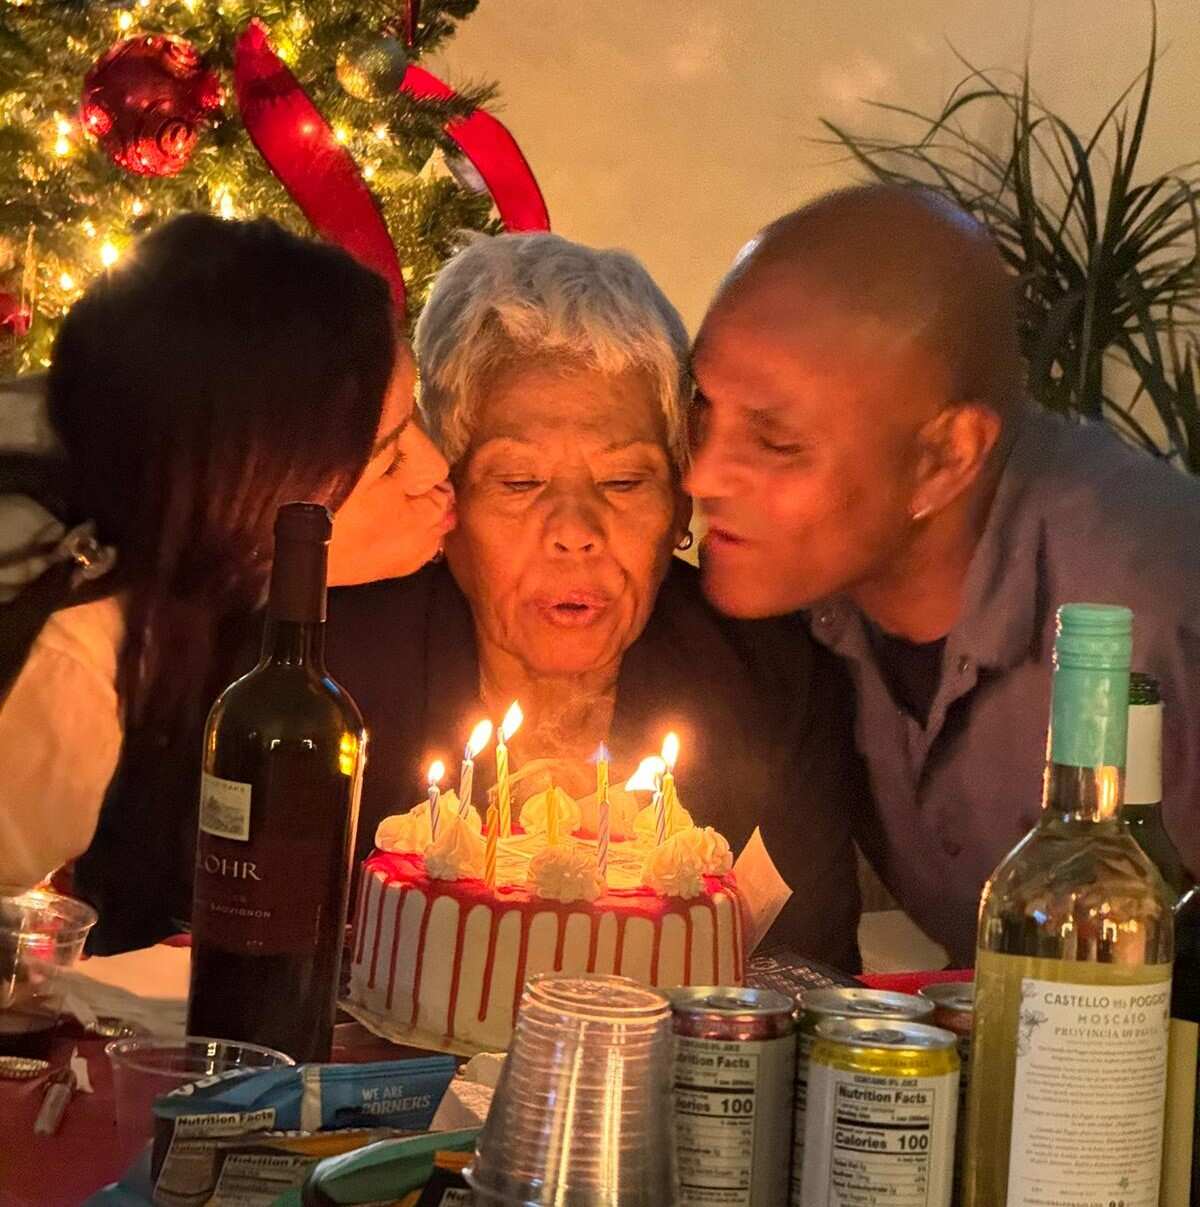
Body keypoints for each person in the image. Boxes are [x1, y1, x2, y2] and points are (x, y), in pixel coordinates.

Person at [686, 183, 1200, 966]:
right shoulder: (791, 597)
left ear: (945, 457)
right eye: (703, 409)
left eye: (776, 442)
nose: (704, 475)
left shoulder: (1155, 607)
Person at [325, 231, 866, 971]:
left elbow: (809, 974)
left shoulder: (768, 676)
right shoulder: (338, 666)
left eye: (624, 483)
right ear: (447, 503)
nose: (575, 534)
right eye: (518, 483)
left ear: (680, 505)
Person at [0, 214, 453, 950]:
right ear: (262, 483)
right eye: (390, 454)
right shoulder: (59, 674)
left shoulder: (88, 429)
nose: (437, 471)